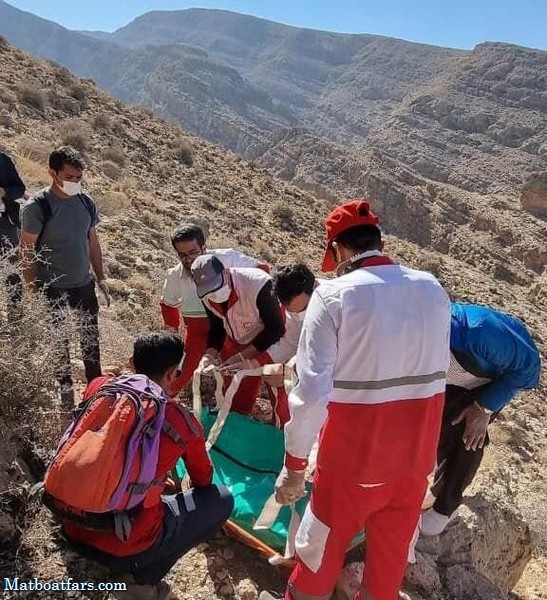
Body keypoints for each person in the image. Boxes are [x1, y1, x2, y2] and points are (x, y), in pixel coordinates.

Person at [260, 200, 451, 600]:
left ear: (338, 252)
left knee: (317, 556)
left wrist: (294, 467)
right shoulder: (433, 289)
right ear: (378, 242)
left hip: (352, 465)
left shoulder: (332, 297)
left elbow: (311, 394)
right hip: (415, 464)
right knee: (388, 567)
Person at [60, 331, 234, 600]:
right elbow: (203, 481)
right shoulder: (180, 421)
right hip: (128, 544)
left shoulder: (98, 388)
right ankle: (142, 581)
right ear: (172, 374)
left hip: (72, 526)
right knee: (220, 499)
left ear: (131, 362)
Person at [420, 302, 541, 536]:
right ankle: (431, 485)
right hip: (454, 379)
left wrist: (484, 407)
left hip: (490, 382)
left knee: (468, 435)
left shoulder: (480, 330)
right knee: (436, 426)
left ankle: (446, 507)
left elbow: (529, 368)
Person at [19, 146, 110, 406]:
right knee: (60, 343)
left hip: (83, 282)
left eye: (79, 178)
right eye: (69, 177)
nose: (74, 183)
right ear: (52, 173)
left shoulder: (85, 201)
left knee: (90, 339)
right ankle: (66, 394)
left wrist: (101, 278)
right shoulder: (38, 206)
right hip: (52, 285)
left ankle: (95, 391)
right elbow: (26, 249)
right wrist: (32, 287)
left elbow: (92, 241)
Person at [160, 223, 267, 394]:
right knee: (174, 376)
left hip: (234, 327)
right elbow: (167, 306)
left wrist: (252, 310)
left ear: (204, 247)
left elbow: (262, 272)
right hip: (198, 331)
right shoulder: (175, 275)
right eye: (182, 255)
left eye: (193, 252)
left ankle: (237, 413)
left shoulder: (227, 259)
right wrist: (170, 341)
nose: (189, 259)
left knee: (239, 377)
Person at [228, 263, 324, 426]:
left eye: (304, 308)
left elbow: (323, 352)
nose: (298, 315)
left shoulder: (335, 303)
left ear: (313, 288)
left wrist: (290, 371)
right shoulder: (293, 309)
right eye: (291, 311)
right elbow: (290, 342)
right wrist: (252, 363)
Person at [191, 254, 285, 415]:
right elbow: (217, 326)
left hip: (272, 340)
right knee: (236, 392)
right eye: (209, 291)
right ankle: (236, 422)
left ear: (226, 272)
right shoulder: (205, 294)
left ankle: (281, 429)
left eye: (217, 286)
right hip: (236, 339)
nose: (214, 294)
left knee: (278, 388)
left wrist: (245, 357)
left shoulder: (258, 284)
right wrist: (209, 355)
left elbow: (276, 329)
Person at [0, 150, 25, 327]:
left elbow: (19, 189)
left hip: (4, 223)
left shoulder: (3, 160)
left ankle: (16, 321)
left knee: (12, 271)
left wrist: (4, 192)